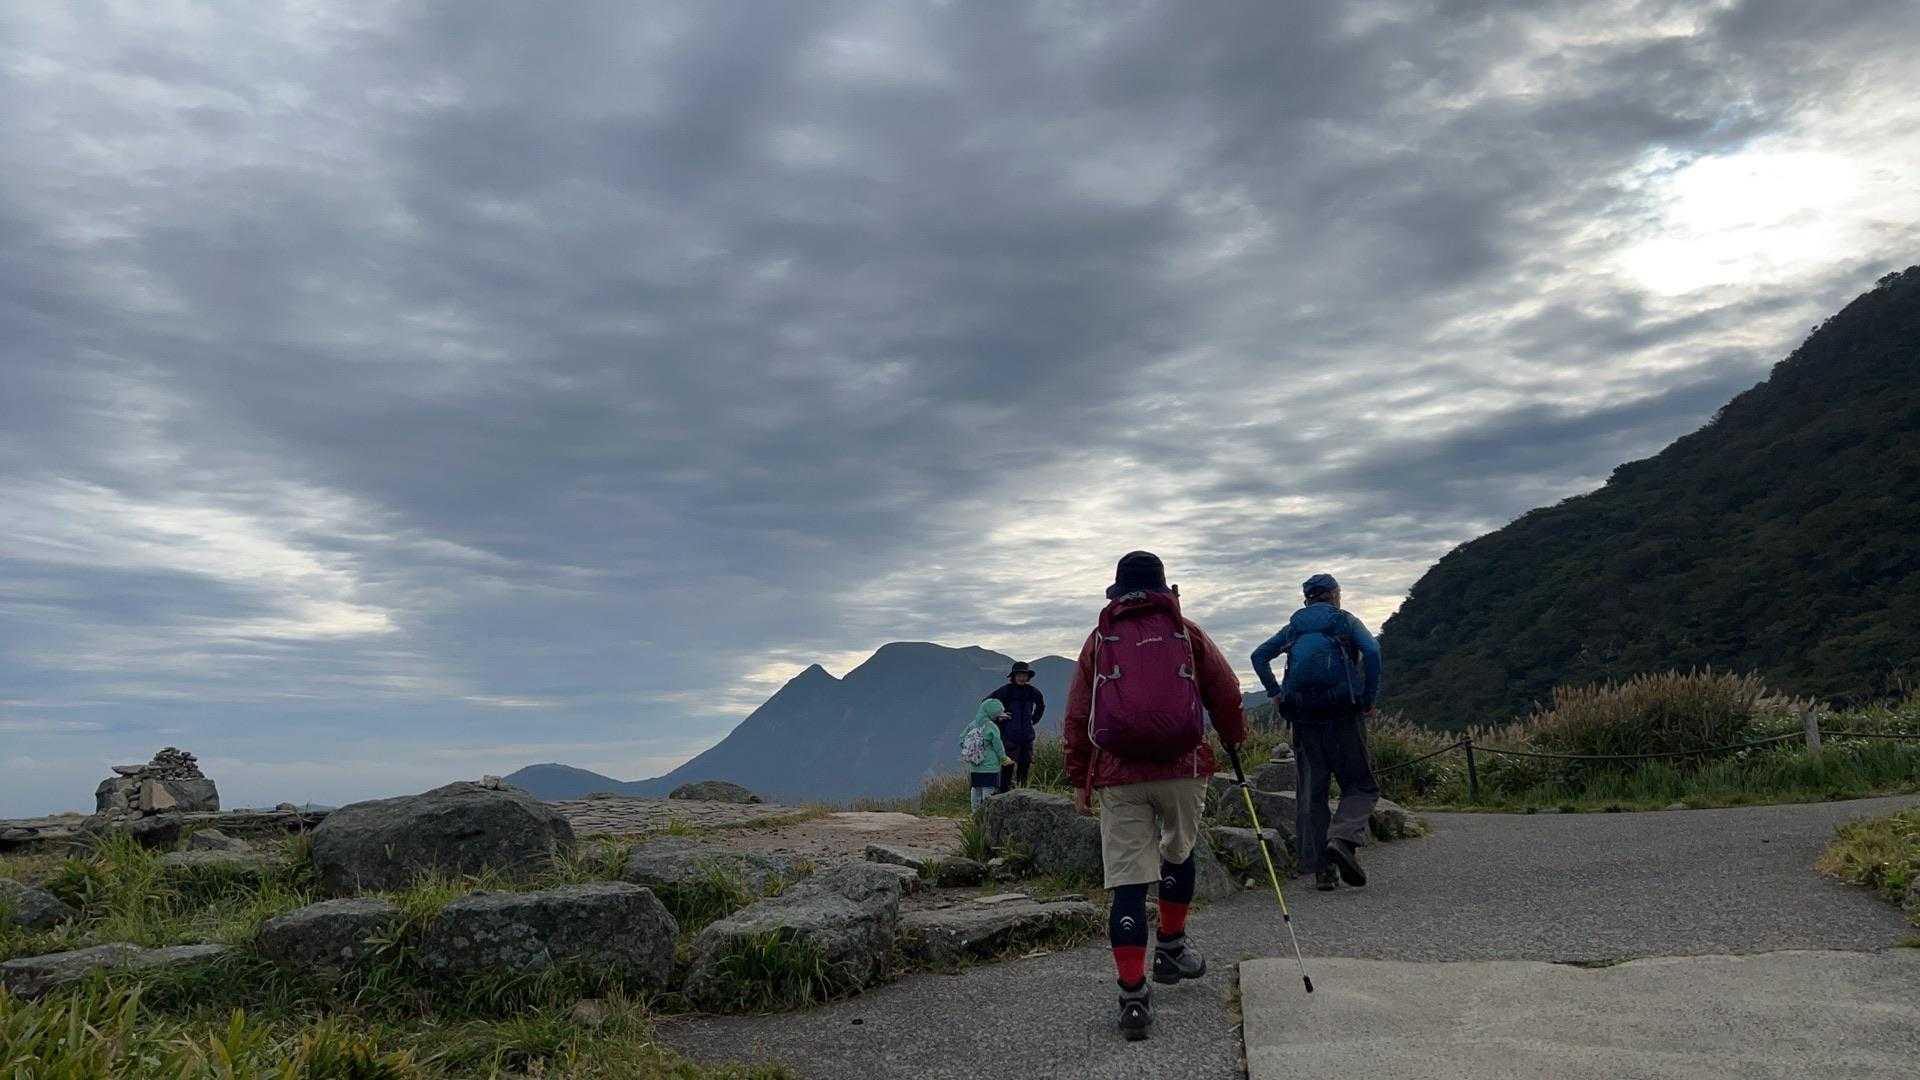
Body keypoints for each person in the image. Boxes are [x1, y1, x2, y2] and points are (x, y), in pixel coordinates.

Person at [1063, 551, 1248, 1042]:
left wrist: (1080, 778)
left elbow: (1078, 713)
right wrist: (1233, 740)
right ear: (1166, 589)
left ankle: (1133, 997)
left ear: (1117, 592)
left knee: (1127, 884)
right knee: (1179, 853)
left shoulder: (1100, 639)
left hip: (1119, 775)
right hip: (1183, 768)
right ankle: (1171, 946)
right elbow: (1226, 691)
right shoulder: (1186, 632)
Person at [1250, 573, 1382, 893]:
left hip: (1304, 718)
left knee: (1312, 792)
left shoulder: (1294, 628)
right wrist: (1367, 698)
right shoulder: (1345, 621)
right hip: (1344, 715)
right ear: (1335, 595)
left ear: (1306, 599)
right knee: (1360, 786)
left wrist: (1275, 693)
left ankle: (1322, 870)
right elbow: (1372, 652)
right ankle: (1342, 839)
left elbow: (1258, 656)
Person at [989, 660, 1046, 791]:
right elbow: (987, 703)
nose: (1022, 677)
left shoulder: (1032, 692)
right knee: (1007, 766)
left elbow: (1041, 706)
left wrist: (1034, 719)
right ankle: (1004, 792)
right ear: (1013, 676)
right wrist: (999, 715)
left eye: (1024, 675)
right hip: (1009, 737)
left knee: (1024, 765)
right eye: (1019, 675)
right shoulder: (1005, 691)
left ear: (1028, 677)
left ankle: (1022, 793)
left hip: (1026, 737)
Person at [960, 698, 1013, 812]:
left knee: (975, 789)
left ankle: (975, 813)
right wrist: (1004, 758)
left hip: (975, 766)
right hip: (990, 767)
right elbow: (998, 746)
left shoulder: (972, 725)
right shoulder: (991, 727)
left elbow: (961, 739)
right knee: (988, 790)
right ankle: (986, 813)